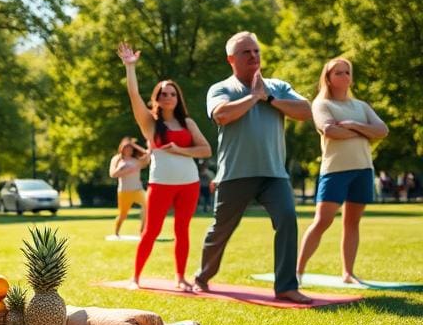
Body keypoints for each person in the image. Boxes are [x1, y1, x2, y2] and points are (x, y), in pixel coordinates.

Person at [193, 31, 313, 303]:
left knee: (287, 218)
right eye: (246, 52)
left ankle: (285, 286)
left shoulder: (277, 87)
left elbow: (305, 111)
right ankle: (202, 276)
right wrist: (254, 97)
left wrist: (269, 98)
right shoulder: (221, 88)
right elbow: (222, 115)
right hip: (235, 174)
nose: (254, 56)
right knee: (221, 229)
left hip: (274, 174)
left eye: (256, 51)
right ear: (231, 59)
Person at [117, 43, 212, 290]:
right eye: (163, 93)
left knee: (183, 230)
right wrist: (130, 67)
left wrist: (180, 150)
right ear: (157, 98)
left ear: (177, 98)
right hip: (160, 184)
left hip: (188, 184)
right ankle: (135, 278)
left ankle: (181, 278)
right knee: (151, 231)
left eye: (172, 93)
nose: (167, 96)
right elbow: (134, 95)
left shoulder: (187, 123)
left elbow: (206, 149)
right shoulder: (150, 123)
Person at [297, 58, 388, 283]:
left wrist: (355, 126)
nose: (345, 77)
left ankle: (348, 273)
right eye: (339, 73)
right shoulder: (322, 104)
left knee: (352, 223)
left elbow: (382, 130)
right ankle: (297, 271)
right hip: (335, 170)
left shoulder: (361, 106)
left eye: (347, 72)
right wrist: (366, 133)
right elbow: (329, 130)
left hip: (363, 170)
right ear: (328, 78)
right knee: (322, 221)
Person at [108, 137, 150, 238]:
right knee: (123, 215)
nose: (128, 150)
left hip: (137, 189)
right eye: (126, 147)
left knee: (147, 206)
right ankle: (116, 232)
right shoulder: (117, 159)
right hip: (124, 191)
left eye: (130, 148)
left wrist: (133, 144)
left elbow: (148, 154)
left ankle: (142, 231)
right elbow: (113, 174)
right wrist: (126, 170)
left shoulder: (137, 160)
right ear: (122, 148)